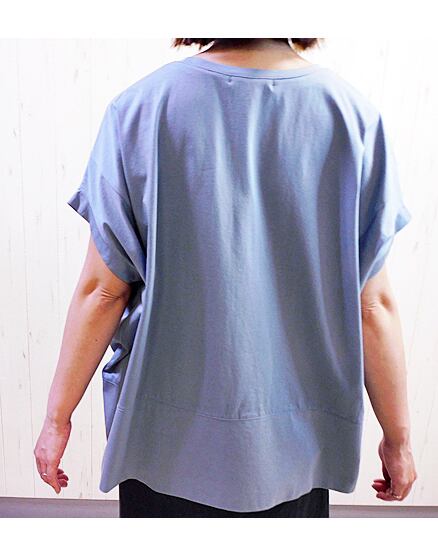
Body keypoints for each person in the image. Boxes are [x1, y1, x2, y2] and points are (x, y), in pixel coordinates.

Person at [33, 38, 417, 518]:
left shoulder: (141, 110)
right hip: (295, 445)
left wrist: (57, 419)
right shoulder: (352, 118)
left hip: (163, 438)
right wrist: (398, 440)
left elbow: (104, 291)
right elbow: (372, 306)